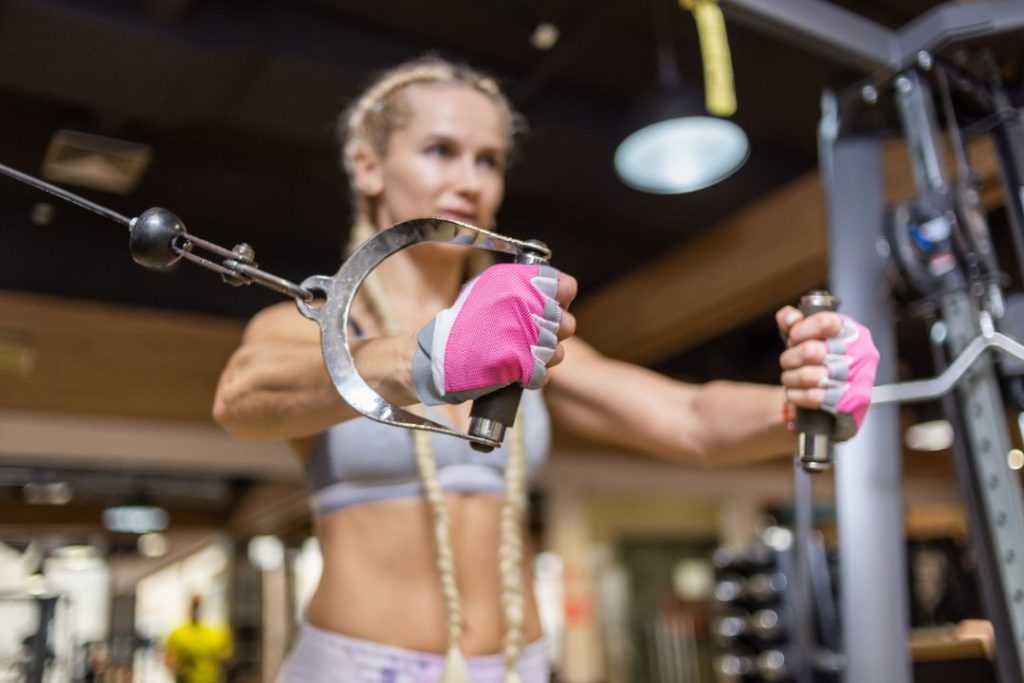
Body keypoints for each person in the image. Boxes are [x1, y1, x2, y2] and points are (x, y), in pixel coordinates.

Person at [212, 56, 880, 683]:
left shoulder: (520, 344)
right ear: (367, 166)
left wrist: (803, 399)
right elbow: (241, 398)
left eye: (490, 160)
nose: (471, 181)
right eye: (441, 150)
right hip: (361, 665)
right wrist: (423, 353)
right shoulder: (319, 324)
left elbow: (689, 419)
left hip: (516, 664)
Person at [163, 594, 233, 683]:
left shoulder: (218, 633)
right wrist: (178, 670)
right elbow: (169, 660)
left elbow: (226, 658)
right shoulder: (177, 634)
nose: (197, 608)